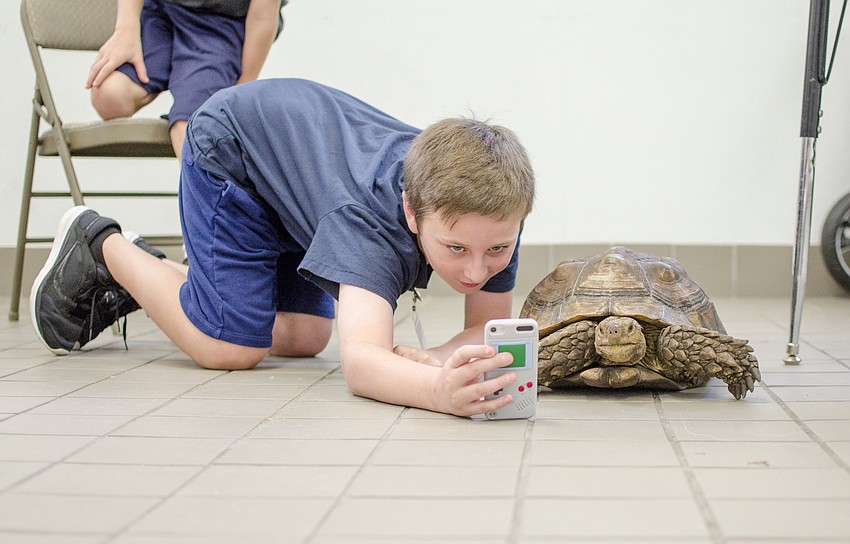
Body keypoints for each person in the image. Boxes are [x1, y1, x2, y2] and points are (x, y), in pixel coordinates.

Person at [30, 78, 536, 417]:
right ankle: (102, 245)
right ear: (411, 213)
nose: (476, 271)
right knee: (232, 347)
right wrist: (437, 390)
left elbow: (481, 330)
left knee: (304, 337)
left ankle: (187, 285)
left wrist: (434, 357)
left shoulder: (488, 214)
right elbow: (362, 363)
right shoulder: (370, 225)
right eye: (454, 249)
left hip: (297, 181)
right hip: (235, 151)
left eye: (497, 250)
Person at [87, 0, 287, 157]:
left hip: (218, 23)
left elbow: (262, 16)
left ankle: (205, 207)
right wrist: (125, 32)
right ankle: (180, 79)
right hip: (161, 13)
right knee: (109, 96)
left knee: (191, 130)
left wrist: (242, 87)